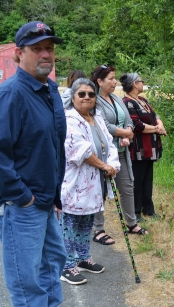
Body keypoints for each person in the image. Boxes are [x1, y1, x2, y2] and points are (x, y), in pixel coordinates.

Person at [0, 21, 76, 307]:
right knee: (26, 280)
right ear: (18, 54)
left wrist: (54, 197)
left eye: (49, 48)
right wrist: (21, 196)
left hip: (45, 200)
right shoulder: (11, 94)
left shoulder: (47, 90)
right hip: (21, 205)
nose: (46, 54)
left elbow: (51, 146)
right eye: (37, 49)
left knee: (52, 262)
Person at [60, 78, 120, 285]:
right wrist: (104, 166)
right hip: (75, 182)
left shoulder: (97, 118)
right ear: (73, 97)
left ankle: (83, 258)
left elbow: (109, 144)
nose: (87, 97)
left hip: (95, 183)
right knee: (70, 224)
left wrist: (112, 164)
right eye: (81, 94)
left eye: (91, 94)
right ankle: (66, 265)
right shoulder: (69, 119)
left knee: (87, 222)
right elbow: (80, 150)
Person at [90, 65, 148, 239]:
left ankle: (131, 224)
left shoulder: (116, 98)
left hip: (121, 151)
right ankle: (98, 229)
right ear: (100, 81)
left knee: (127, 186)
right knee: (101, 190)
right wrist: (126, 133)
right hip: (103, 154)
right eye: (111, 79)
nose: (115, 82)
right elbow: (102, 126)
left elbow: (128, 119)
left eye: (115, 78)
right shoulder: (95, 101)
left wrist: (128, 132)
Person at [120, 73, 166, 221]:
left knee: (147, 181)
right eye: (141, 81)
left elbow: (155, 115)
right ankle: (135, 212)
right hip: (139, 149)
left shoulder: (142, 100)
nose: (143, 83)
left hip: (150, 149)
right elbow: (137, 125)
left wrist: (160, 124)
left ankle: (148, 210)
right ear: (135, 84)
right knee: (137, 181)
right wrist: (157, 129)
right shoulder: (127, 102)